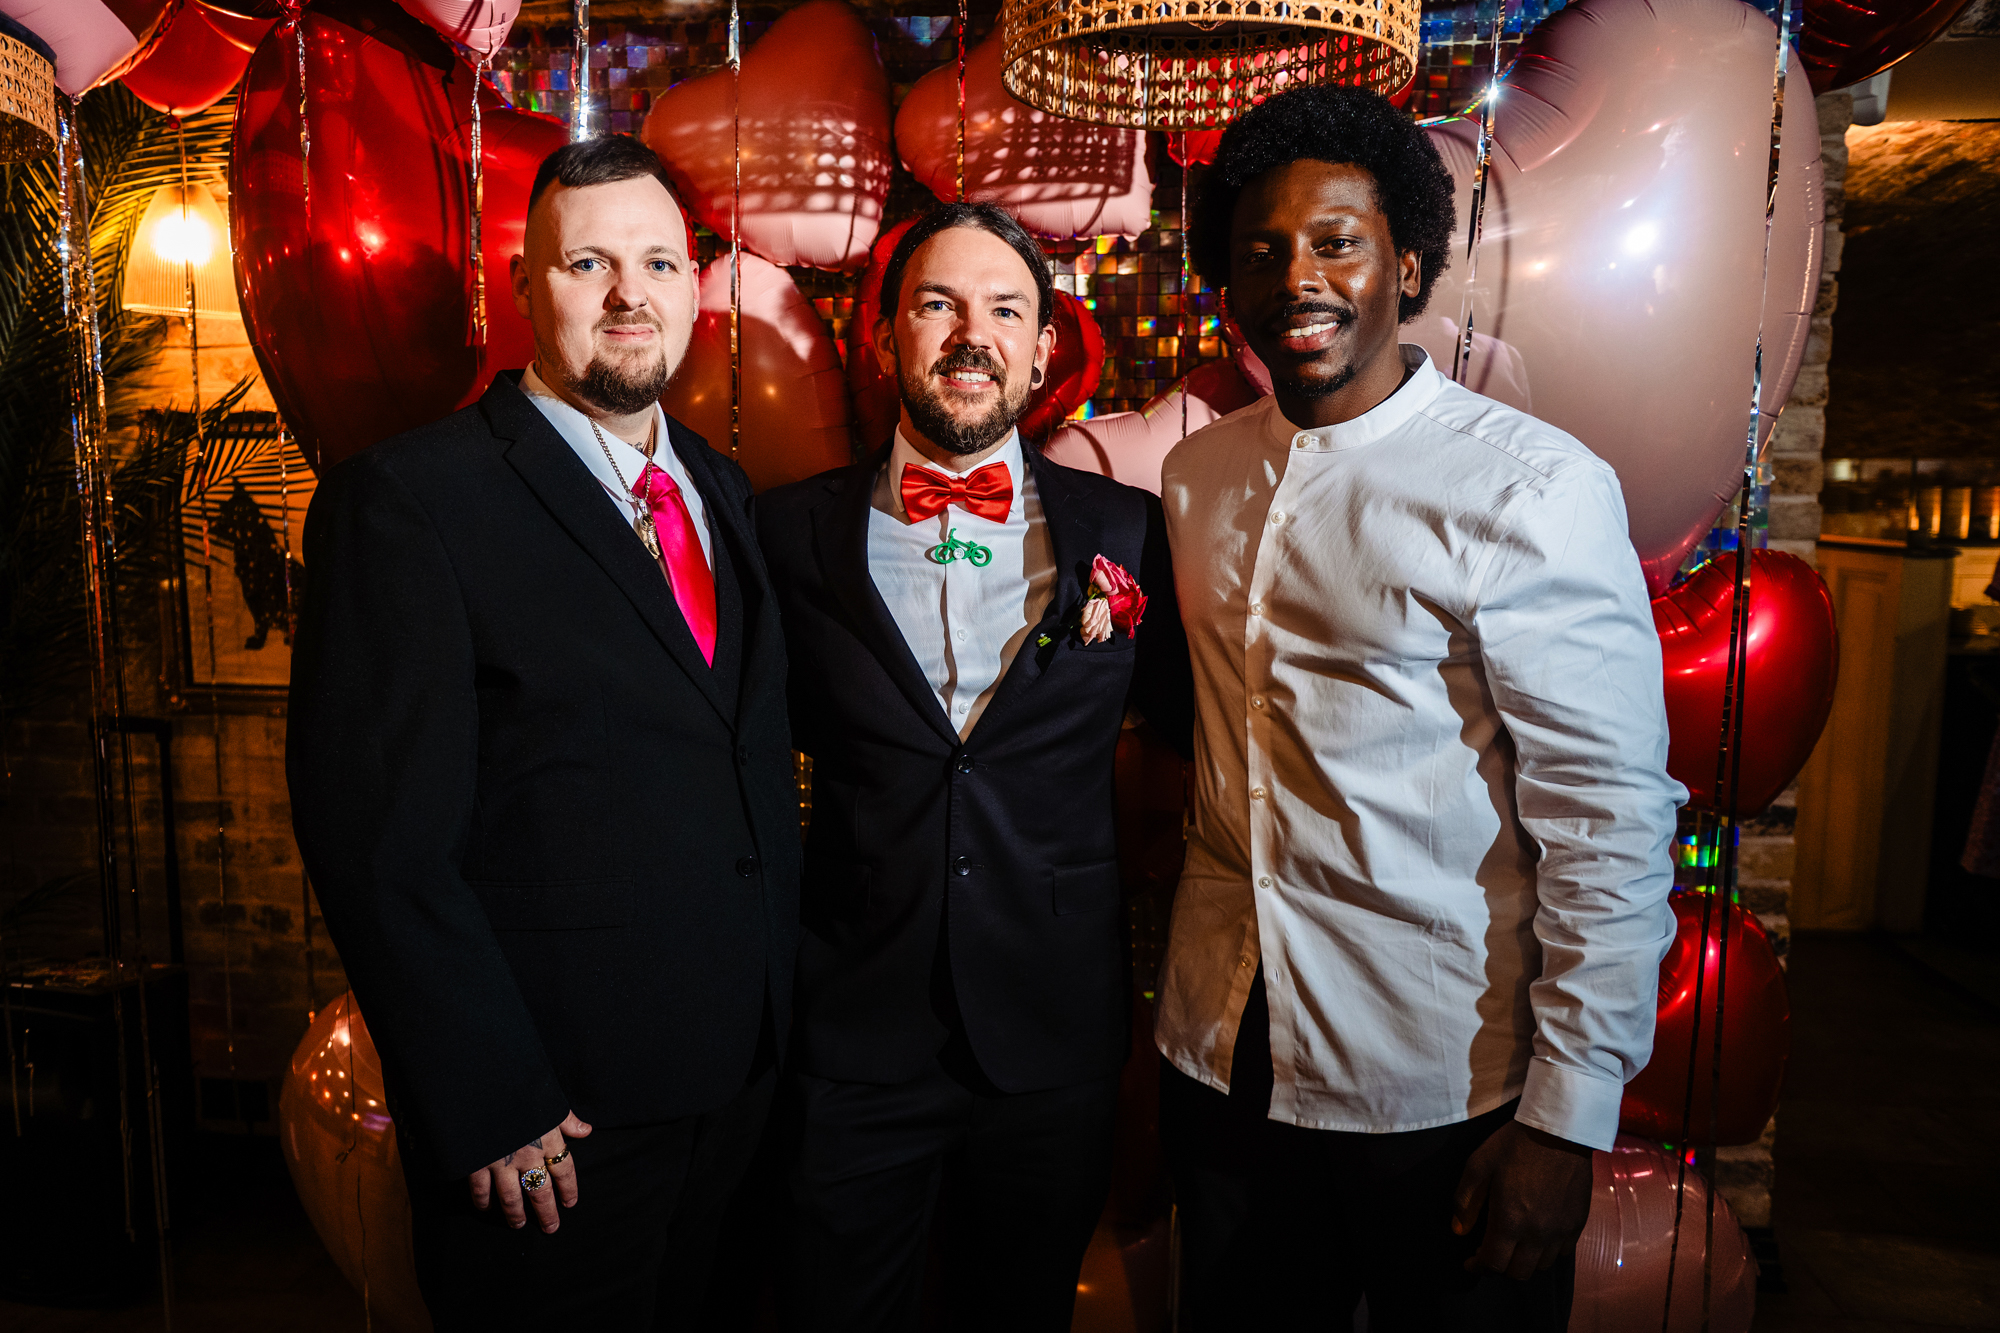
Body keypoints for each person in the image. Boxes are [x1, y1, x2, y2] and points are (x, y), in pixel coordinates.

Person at [1153, 84, 1685, 1330]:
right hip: (1220, 1055)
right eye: (1261, 250)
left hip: (1440, 1083)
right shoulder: (1195, 475)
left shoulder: (1529, 487)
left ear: (1406, 260)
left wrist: (1565, 1118)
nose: (1299, 277)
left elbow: (1606, 817)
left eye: (1334, 241)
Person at [286, 135, 798, 1329]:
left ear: (692, 286)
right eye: (589, 263)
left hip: (735, 1083)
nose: (631, 294)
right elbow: (376, 842)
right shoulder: (411, 499)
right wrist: (486, 1094)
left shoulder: (719, 489)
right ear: (523, 286)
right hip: (550, 1121)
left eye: (659, 263)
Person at [755, 201, 1191, 1331]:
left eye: (1004, 307)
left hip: (1051, 1040)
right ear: (889, 332)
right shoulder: (783, 536)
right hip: (850, 1031)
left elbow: (1204, 746)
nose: (970, 332)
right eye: (939, 303)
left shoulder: (1132, 536)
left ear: (1043, 346)